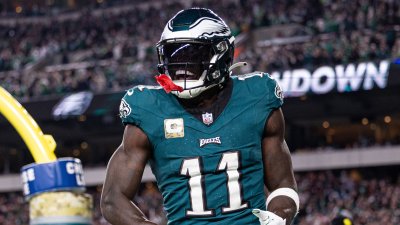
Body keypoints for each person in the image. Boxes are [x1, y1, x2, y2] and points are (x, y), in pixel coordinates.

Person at [101, 8, 299, 225]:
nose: (179, 67)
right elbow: (113, 198)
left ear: (221, 53)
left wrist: (279, 217)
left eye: (190, 56)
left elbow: (283, 184)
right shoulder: (149, 109)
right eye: (172, 55)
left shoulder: (256, 97)